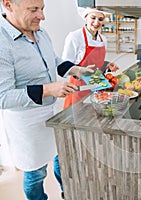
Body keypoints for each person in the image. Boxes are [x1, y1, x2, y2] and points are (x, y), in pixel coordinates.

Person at [0, 0, 95, 199]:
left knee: (62, 158)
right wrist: (47, 89)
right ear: (8, 5)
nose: (42, 16)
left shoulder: (40, 33)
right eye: (33, 10)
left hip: (52, 112)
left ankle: (67, 193)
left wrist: (76, 69)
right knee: (36, 173)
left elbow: (53, 61)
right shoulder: (3, 42)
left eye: (42, 9)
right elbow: (3, 97)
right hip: (27, 123)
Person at [62, 7, 119, 108]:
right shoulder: (75, 37)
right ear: (86, 17)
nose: (96, 22)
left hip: (96, 85)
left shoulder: (103, 39)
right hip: (78, 86)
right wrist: (80, 71)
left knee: (93, 116)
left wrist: (107, 65)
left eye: (100, 19)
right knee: (76, 117)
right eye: (93, 18)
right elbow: (64, 65)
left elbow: (97, 64)